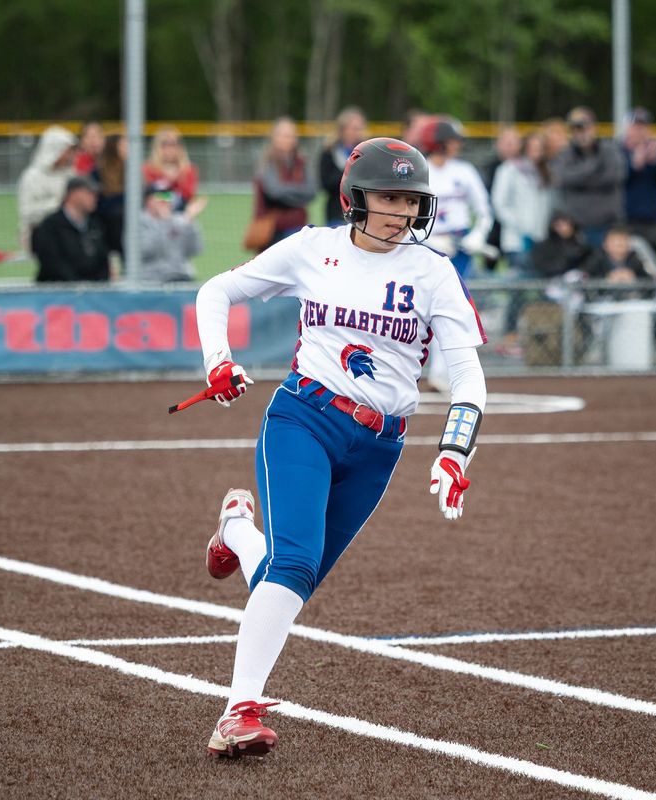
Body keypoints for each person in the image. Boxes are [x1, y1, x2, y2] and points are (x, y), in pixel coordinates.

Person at [193, 137, 487, 759]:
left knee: (287, 585)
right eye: (387, 197)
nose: (401, 212)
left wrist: (456, 452)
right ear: (354, 197)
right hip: (304, 416)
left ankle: (238, 533)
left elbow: (468, 379)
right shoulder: (312, 249)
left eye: (411, 199)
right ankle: (237, 712)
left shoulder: (434, 272)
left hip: (381, 445)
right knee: (294, 564)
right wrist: (218, 361)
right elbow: (215, 291)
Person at [419, 115, 491, 388]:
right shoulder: (420, 170)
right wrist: (428, 240)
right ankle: (433, 371)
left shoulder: (464, 171)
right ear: (438, 143)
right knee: (426, 311)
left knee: (450, 310)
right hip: (427, 249)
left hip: (460, 250)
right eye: (451, 141)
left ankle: (442, 373)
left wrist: (477, 235)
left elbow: (483, 210)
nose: (457, 146)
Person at [491, 132, 553, 354]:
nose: (536, 152)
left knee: (538, 289)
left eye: (540, 148)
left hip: (540, 242)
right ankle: (509, 337)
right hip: (518, 242)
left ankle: (536, 335)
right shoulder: (510, 169)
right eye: (533, 147)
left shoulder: (545, 173)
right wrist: (520, 227)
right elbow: (499, 203)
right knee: (518, 289)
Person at [552, 106, 626, 248]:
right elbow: (563, 177)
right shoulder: (565, 154)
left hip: (607, 227)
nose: (580, 133)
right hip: (576, 229)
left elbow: (616, 175)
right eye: (575, 128)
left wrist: (579, 179)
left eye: (583, 127)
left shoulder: (609, 150)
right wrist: (594, 168)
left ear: (593, 128)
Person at [250, 116, 318, 249]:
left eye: (292, 136)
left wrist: (287, 191)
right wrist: (299, 196)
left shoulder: (301, 162)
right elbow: (274, 192)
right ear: (274, 137)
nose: (289, 140)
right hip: (270, 230)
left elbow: (311, 191)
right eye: (285, 135)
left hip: (297, 227)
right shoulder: (267, 162)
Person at [31, 176, 110, 282]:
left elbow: (103, 261)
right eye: (89, 193)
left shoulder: (96, 225)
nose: (95, 197)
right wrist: (76, 284)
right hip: (57, 293)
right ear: (73, 194)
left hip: (92, 293)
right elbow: (52, 263)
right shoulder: (50, 225)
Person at [622, 107, 656, 256]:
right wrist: (634, 165)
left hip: (650, 218)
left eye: (642, 126)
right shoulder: (619, 150)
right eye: (635, 126)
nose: (639, 130)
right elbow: (616, 179)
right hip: (625, 217)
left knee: (651, 258)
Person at [17, 125, 78, 251]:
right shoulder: (32, 177)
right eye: (67, 150)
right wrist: (61, 205)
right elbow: (27, 213)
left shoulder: (71, 175)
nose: (70, 155)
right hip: (40, 236)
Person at [139, 182, 206, 282]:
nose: (165, 200)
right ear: (148, 200)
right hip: (151, 281)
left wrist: (190, 221)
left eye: (168, 196)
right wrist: (164, 223)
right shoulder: (138, 222)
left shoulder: (179, 220)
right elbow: (146, 251)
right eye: (160, 196)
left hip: (181, 277)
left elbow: (196, 249)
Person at [481, 126, 522, 270]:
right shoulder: (490, 168)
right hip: (493, 228)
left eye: (513, 143)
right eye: (506, 142)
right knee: (489, 267)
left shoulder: (525, 168)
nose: (509, 147)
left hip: (515, 227)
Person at [319, 106, 368, 226]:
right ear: (343, 129)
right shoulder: (329, 152)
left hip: (362, 211)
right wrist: (348, 174)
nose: (357, 132)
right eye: (354, 128)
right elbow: (326, 183)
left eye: (360, 128)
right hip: (336, 211)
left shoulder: (367, 152)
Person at [142, 126, 199, 211]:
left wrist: (175, 182)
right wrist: (168, 182)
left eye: (174, 144)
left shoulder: (188, 170)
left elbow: (188, 197)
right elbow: (148, 196)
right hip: (153, 218)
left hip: (179, 217)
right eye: (165, 144)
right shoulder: (148, 169)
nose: (170, 149)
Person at [92, 133, 127, 256]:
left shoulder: (131, 171)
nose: (128, 148)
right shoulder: (98, 172)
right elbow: (98, 204)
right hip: (107, 225)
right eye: (123, 145)